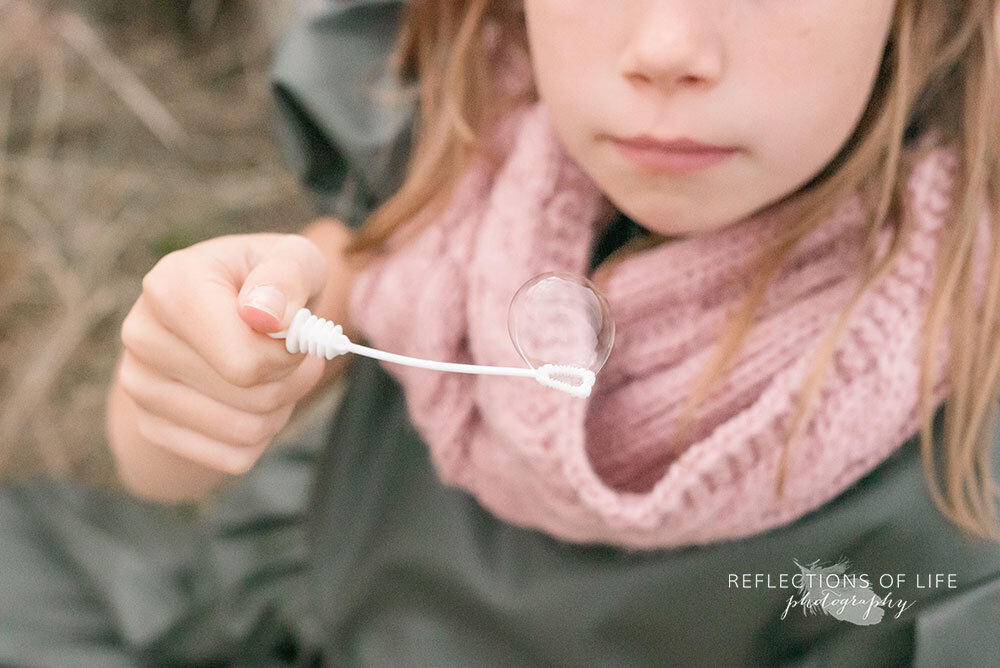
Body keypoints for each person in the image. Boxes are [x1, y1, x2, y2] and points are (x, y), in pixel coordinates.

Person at [2, 0, 1000, 665]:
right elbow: (168, 465)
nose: (663, 48)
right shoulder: (469, 135)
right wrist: (192, 377)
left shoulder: (960, 487)